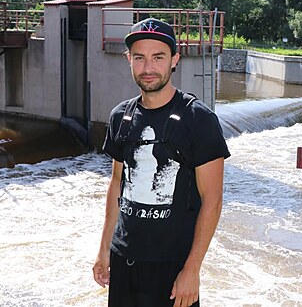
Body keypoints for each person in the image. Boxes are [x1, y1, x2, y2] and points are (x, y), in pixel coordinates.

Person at [92, 18, 230, 307]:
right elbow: (118, 182)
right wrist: (104, 248)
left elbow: (213, 200)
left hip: (172, 266)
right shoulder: (121, 116)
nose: (148, 68)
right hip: (124, 259)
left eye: (158, 57)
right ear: (129, 60)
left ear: (174, 60)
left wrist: (192, 269)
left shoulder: (199, 120)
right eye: (139, 58)